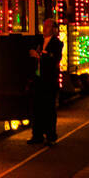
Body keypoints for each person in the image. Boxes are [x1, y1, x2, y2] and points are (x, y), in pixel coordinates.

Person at [28, 18, 63, 146]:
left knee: (49, 109)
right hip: (38, 79)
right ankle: (37, 135)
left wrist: (41, 55)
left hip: (49, 81)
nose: (45, 29)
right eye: (44, 26)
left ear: (53, 29)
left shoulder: (57, 43)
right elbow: (32, 52)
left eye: (48, 26)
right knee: (37, 108)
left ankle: (51, 135)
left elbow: (54, 58)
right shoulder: (38, 40)